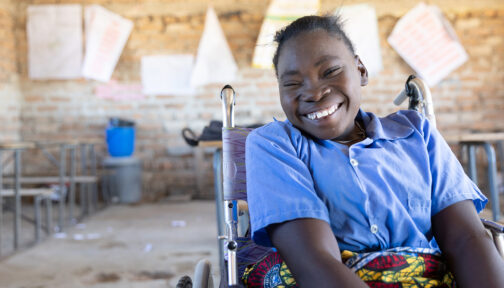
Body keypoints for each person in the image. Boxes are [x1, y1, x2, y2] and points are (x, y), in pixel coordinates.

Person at [244, 15, 504, 288]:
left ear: (361, 70)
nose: (314, 93)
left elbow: (467, 239)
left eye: (330, 71)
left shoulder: (417, 134)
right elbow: (313, 260)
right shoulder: (273, 144)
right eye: (292, 83)